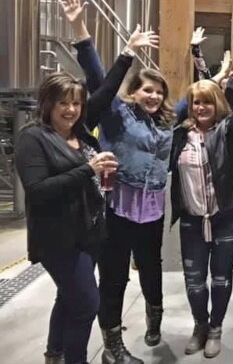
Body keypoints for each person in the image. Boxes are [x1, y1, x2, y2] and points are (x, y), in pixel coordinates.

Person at [14, 42, 138, 364]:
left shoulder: (80, 130)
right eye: (62, 104)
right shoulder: (33, 137)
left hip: (89, 232)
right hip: (59, 239)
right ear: (47, 104)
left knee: (67, 298)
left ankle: (54, 354)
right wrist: (88, 170)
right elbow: (38, 190)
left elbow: (107, 90)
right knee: (85, 304)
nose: (70, 109)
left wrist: (126, 54)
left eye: (75, 104)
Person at [75, 30, 171, 364]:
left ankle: (154, 316)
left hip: (152, 212)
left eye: (159, 92)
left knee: (151, 269)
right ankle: (112, 346)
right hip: (117, 209)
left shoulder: (166, 125)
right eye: (148, 90)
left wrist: (219, 73)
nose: (154, 96)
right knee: (114, 278)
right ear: (133, 92)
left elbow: (198, 100)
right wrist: (89, 40)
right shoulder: (117, 115)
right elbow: (98, 78)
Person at [169, 55, 233, 358]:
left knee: (220, 278)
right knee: (194, 281)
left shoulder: (227, 131)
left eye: (207, 102)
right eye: (196, 103)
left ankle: (216, 328)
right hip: (193, 220)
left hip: (226, 217)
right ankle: (199, 326)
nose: (201, 108)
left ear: (217, 103)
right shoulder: (180, 135)